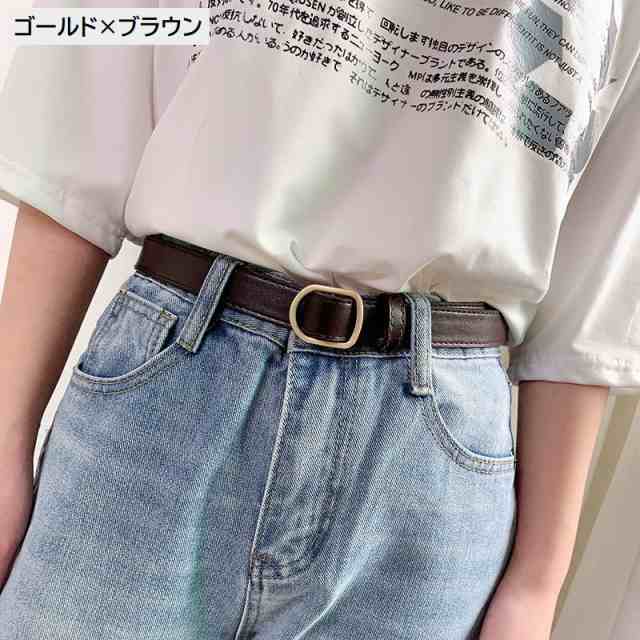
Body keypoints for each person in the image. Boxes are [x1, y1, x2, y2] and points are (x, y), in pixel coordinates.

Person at [0, 1, 637, 638]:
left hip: (432, 477)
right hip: (168, 401)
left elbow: (593, 276)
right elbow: (88, 94)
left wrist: (538, 580)